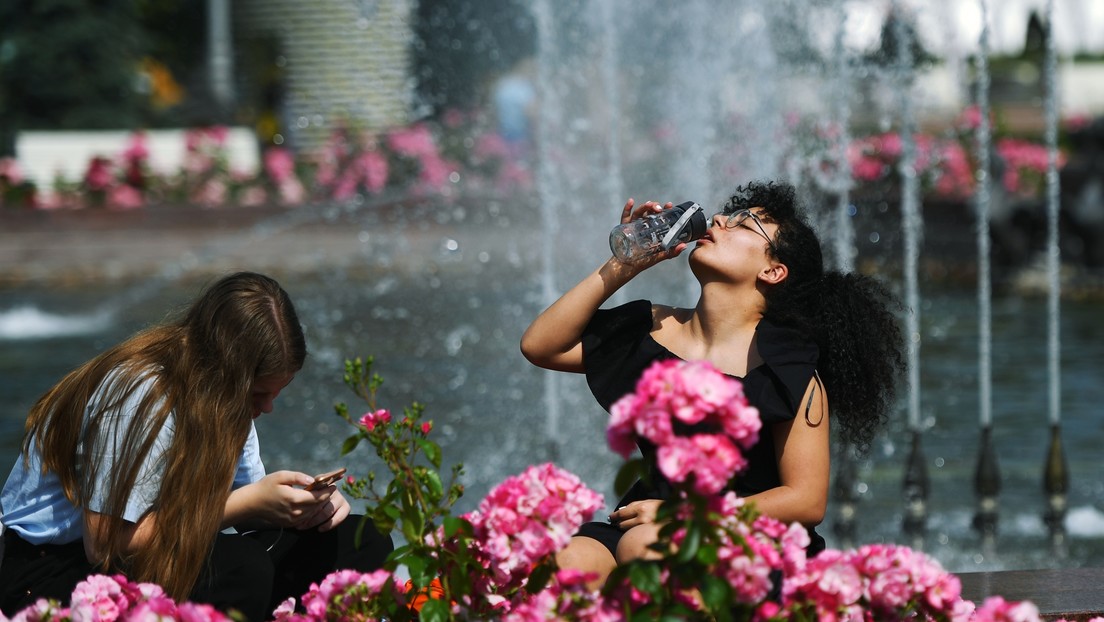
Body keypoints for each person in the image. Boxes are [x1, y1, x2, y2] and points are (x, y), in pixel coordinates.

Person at [521, 181, 903, 587]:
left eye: (745, 224)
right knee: (565, 563)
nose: (719, 219)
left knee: (646, 547)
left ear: (773, 271)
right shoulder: (653, 329)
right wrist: (626, 263)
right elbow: (541, 346)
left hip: (751, 541)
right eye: (727, 216)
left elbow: (806, 500)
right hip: (647, 522)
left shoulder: (789, 369)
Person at [0, 272, 393, 620]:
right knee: (242, 567)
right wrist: (249, 504)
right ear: (222, 370)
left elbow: (246, 508)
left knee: (359, 540)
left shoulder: (223, 400)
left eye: (275, 395)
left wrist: (304, 507)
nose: (266, 409)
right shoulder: (140, 394)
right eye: (257, 396)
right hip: (48, 571)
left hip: (152, 550)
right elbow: (105, 541)